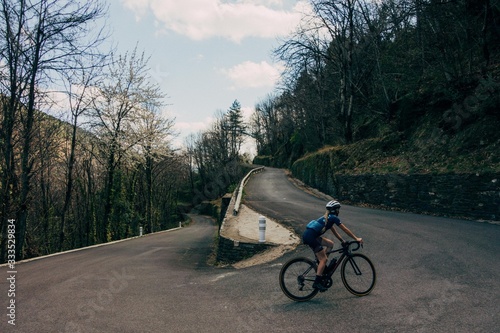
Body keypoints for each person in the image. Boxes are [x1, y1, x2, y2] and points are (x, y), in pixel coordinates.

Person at [302, 200, 363, 291]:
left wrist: (342, 240)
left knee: (330, 244)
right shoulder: (333, 218)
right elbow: (345, 229)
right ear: (335, 210)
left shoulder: (328, 218)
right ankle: (317, 282)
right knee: (324, 259)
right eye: (338, 209)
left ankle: (322, 266)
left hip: (310, 236)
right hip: (311, 237)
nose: (339, 211)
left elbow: (335, 232)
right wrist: (356, 238)